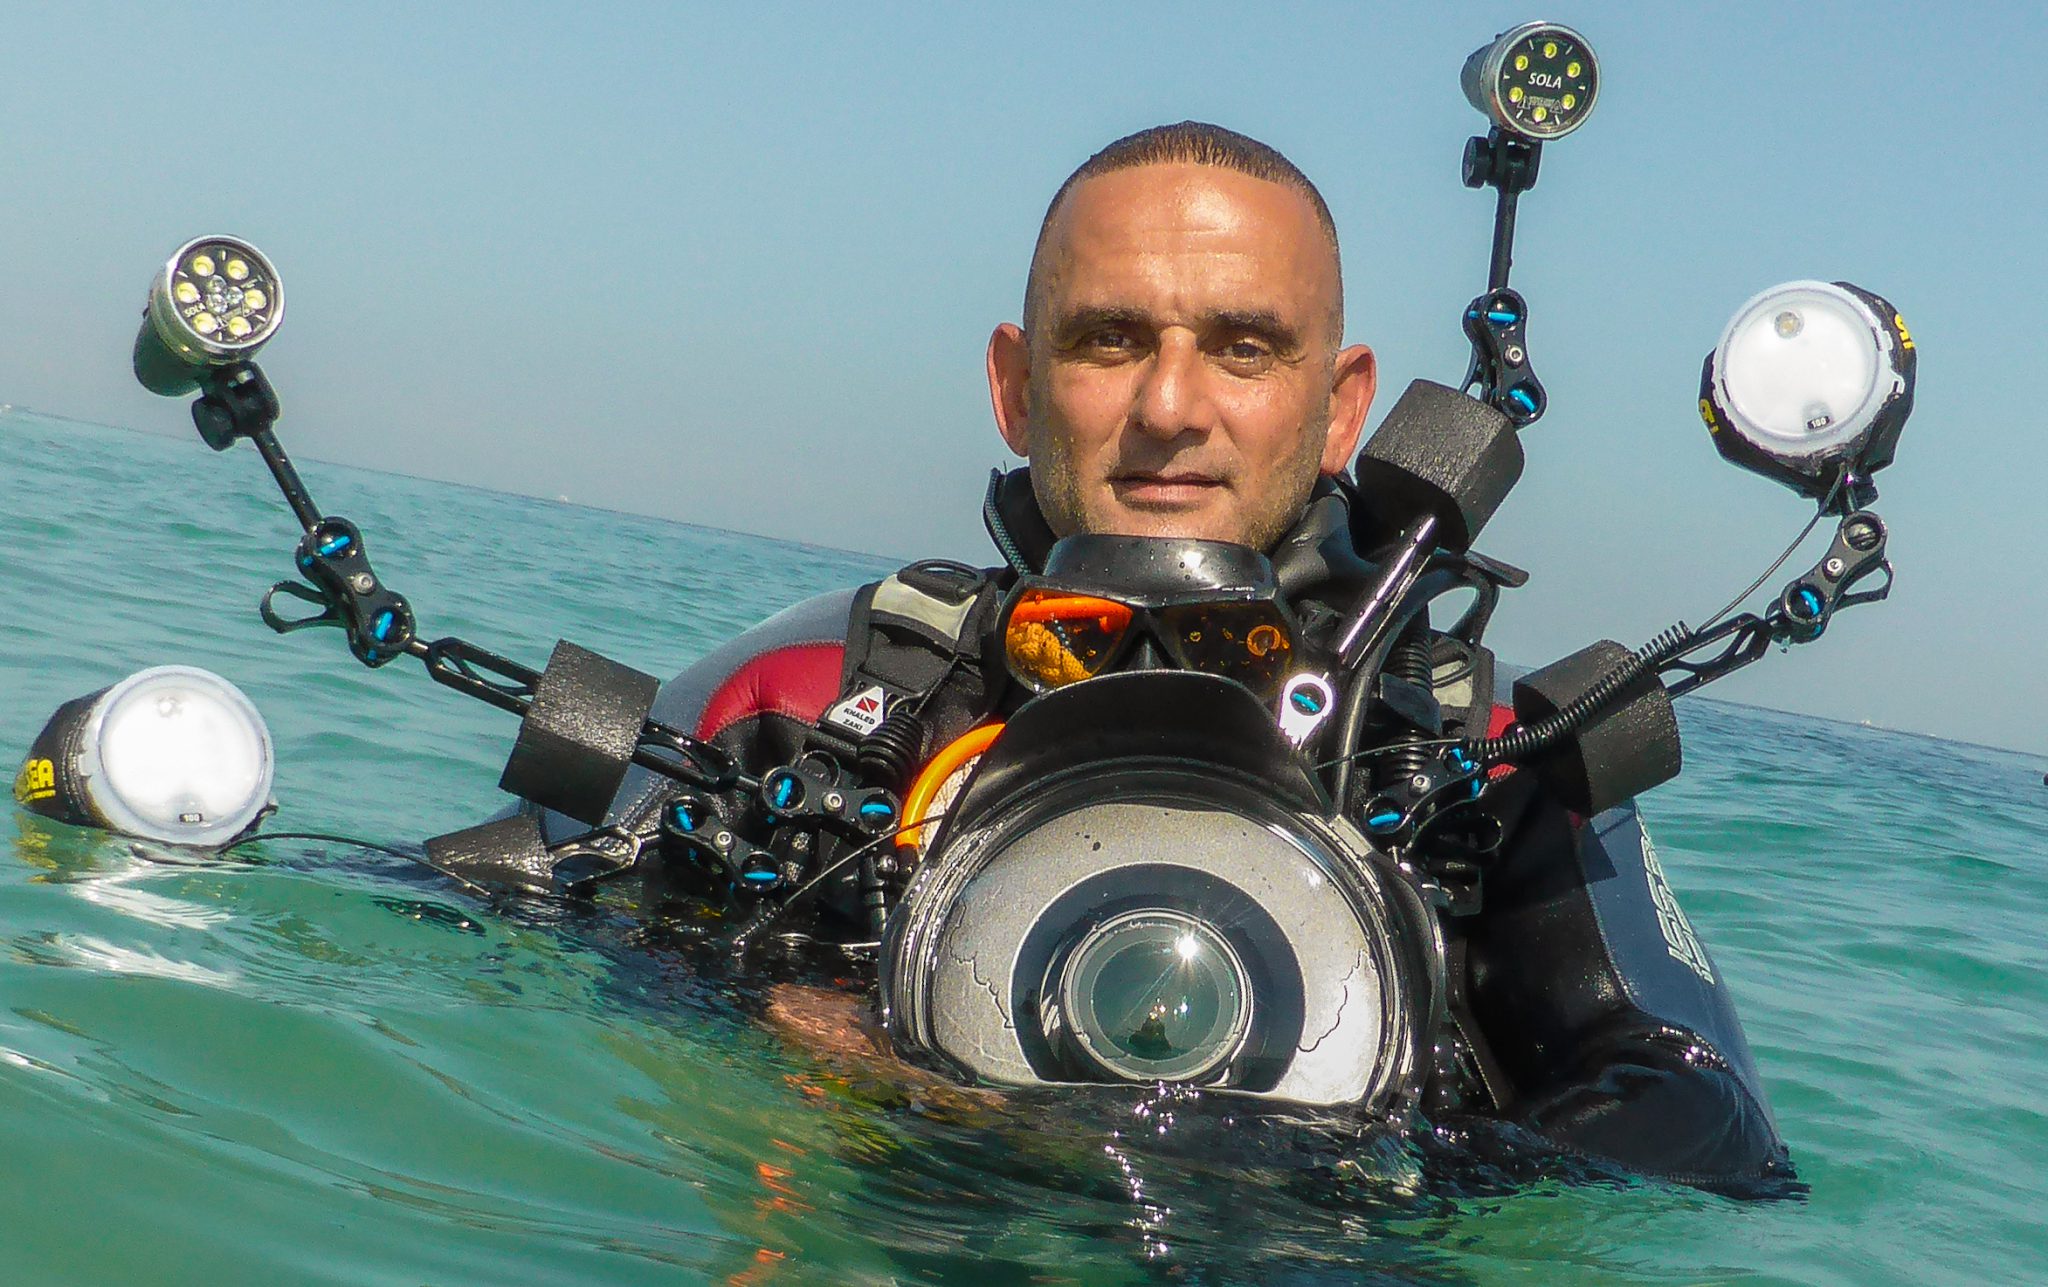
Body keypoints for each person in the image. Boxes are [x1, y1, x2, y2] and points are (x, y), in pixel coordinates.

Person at [539, 122, 1790, 1190]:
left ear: (1341, 404)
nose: (1171, 407)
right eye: (1108, 340)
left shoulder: (1478, 755)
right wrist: (752, 1021)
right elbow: (484, 923)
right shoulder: (811, 696)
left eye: (1243, 346)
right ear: (1015, 388)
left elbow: (1704, 1122)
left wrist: (1360, 1151)